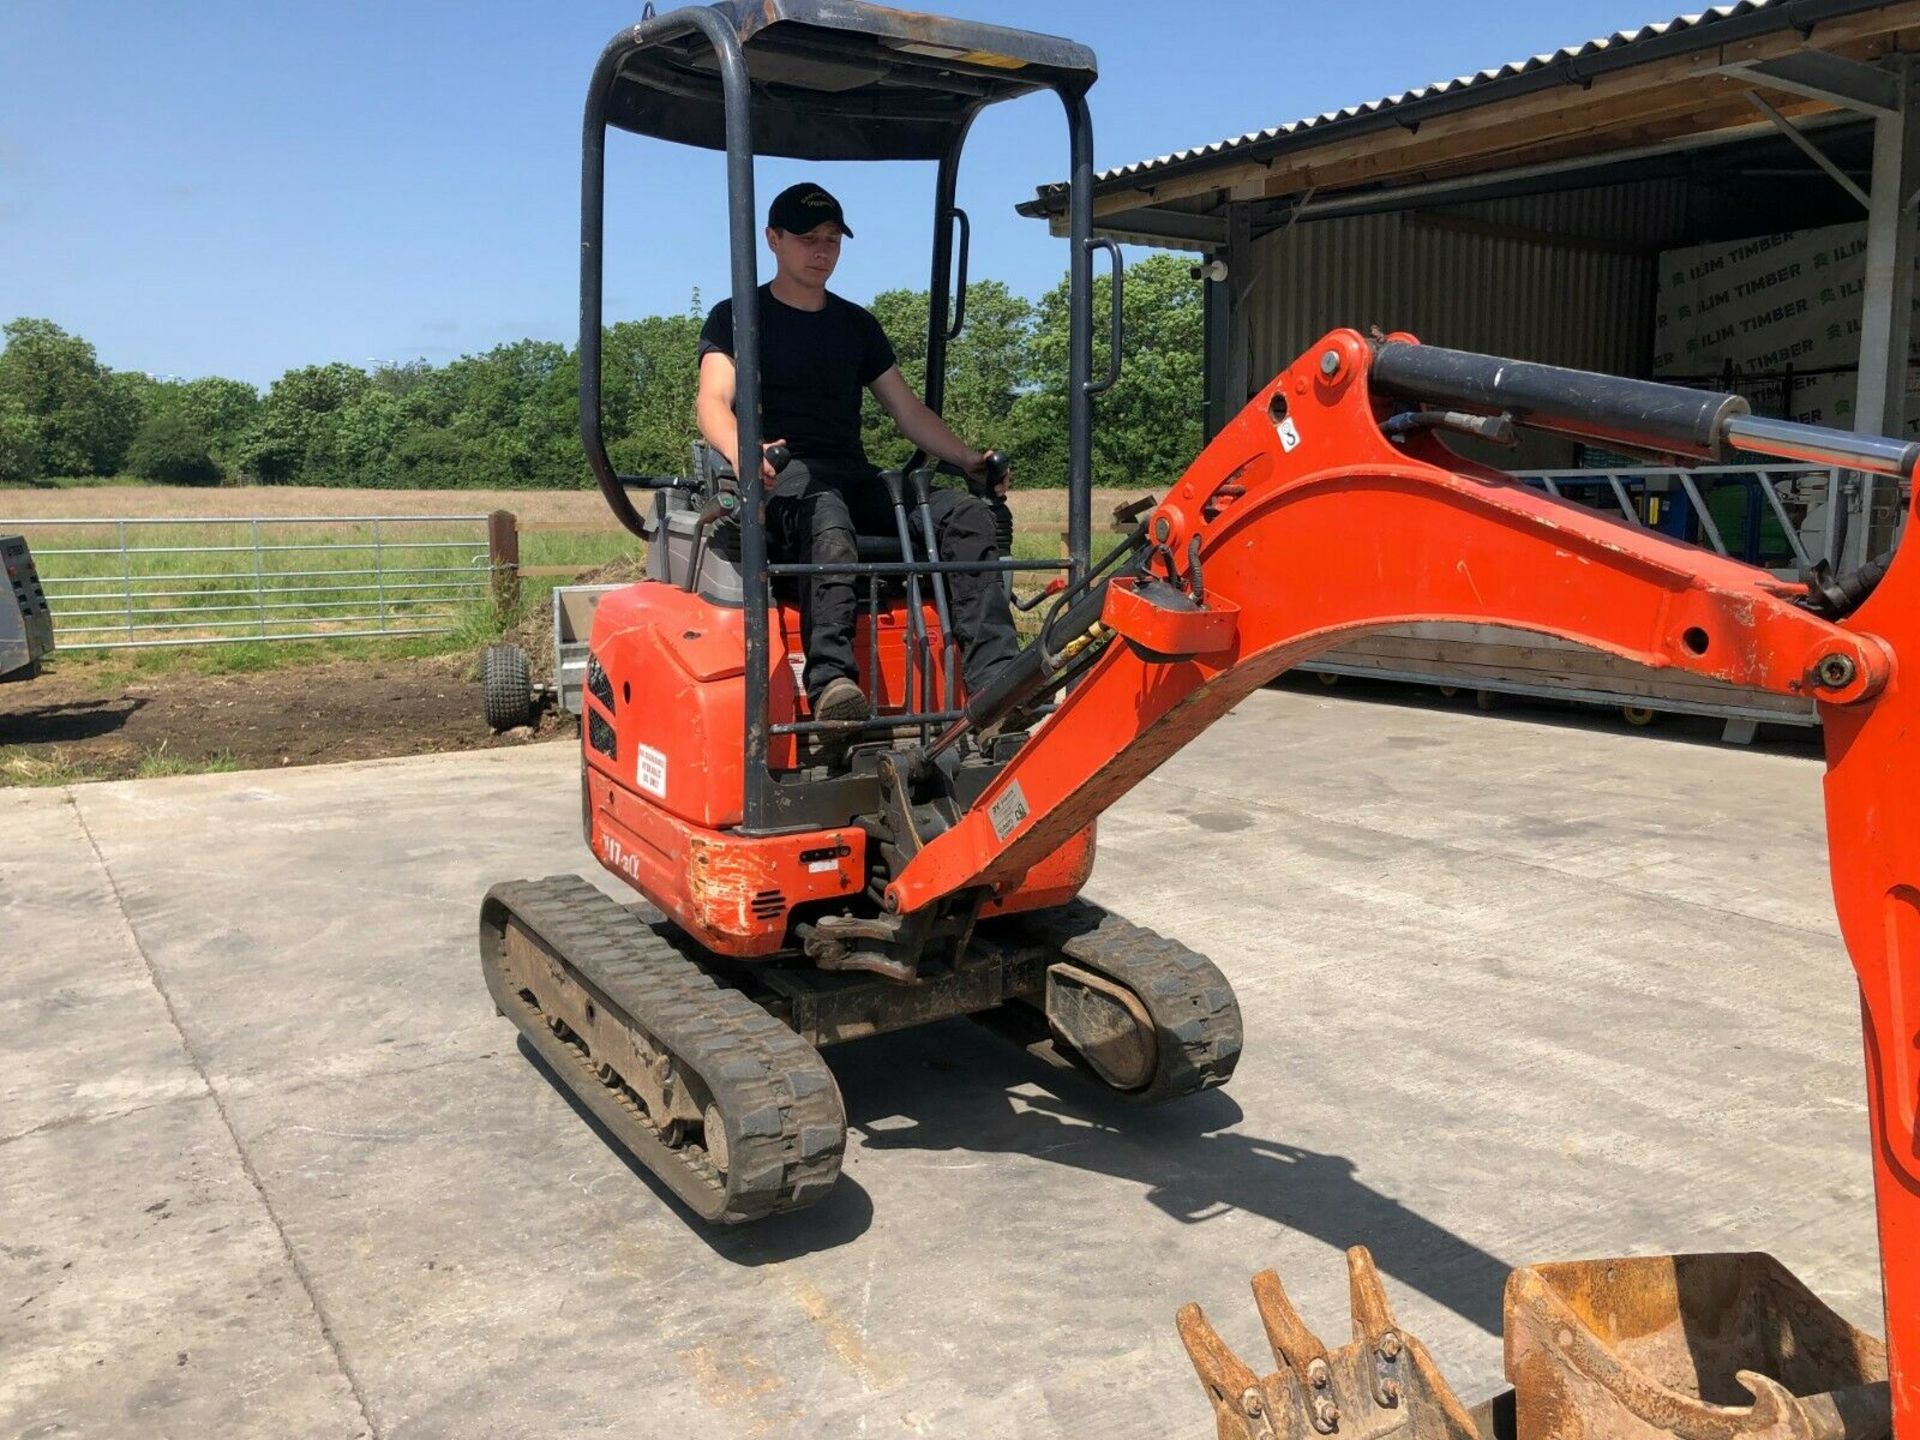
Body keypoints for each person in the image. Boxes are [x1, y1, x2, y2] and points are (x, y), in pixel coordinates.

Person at [694, 181, 1020, 726]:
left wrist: (967, 459)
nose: (822, 250)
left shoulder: (856, 325)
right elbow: (713, 401)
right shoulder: (736, 317)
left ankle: (997, 679)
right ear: (772, 238)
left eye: (831, 239)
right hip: (780, 482)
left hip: (851, 476)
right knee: (828, 511)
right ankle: (831, 681)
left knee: (965, 515)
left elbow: (907, 412)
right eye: (807, 238)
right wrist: (743, 454)